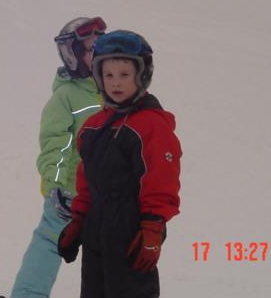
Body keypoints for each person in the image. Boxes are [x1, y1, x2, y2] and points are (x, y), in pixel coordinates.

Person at [57, 30, 182, 298]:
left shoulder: (151, 126)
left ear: (142, 75)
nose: (116, 82)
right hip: (96, 232)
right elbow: (87, 179)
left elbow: (161, 180)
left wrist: (153, 226)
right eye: (108, 75)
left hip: (132, 235)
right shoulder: (93, 127)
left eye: (124, 74)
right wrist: (79, 219)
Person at [10, 16, 107, 298]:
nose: (98, 55)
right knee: (49, 244)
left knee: (107, 254)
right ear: (73, 56)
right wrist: (55, 187)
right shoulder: (65, 97)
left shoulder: (113, 92)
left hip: (106, 195)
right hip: (69, 194)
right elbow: (55, 145)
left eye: (101, 48)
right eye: (90, 50)